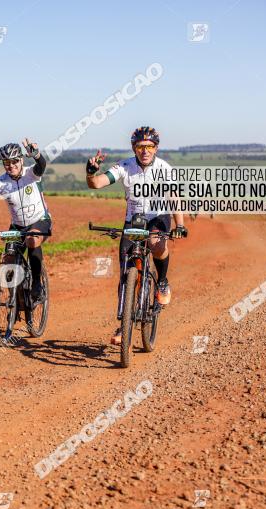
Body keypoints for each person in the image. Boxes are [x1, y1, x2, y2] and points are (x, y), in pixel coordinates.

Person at [85, 126, 188, 345]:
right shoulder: (124, 166)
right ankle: (125, 324)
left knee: (155, 243)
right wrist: (90, 171)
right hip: (134, 219)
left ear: (156, 148)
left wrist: (179, 224)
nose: (145, 151)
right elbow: (96, 183)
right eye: (141, 146)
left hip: (158, 217)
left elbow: (175, 197)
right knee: (125, 273)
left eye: (149, 146)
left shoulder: (165, 169)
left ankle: (162, 282)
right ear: (134, 148)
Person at [0, 138, 50, 306]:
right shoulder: (0, 182)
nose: (11, 165)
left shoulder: (31, 174)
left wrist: (37, 155)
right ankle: (17, 298)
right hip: (17, 226)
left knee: (32, 239)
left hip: (40, 220)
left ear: (21, 160)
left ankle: (36, 283)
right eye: (6, 162)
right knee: (8, 261)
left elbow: (41, 166)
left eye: (14, 161)